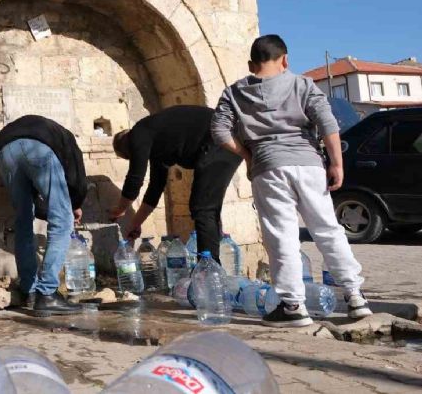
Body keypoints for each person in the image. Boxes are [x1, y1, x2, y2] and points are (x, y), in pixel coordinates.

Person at [211, 34, 372, 328]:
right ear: (285, 60)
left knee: (282, 236)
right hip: (309, 163)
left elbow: (220, 131)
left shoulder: (233, 93)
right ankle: (355, 297)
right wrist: (336, 163)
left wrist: (248, 154)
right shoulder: (302, 84)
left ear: (251, 64)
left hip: (268, 168)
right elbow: (327, 122)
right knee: (327, 229)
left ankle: (293, 307)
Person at [110, 106, 242, 261]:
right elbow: (155, 188)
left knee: (204, 208)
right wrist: (136, 223)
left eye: (130, 156)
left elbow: (135, 178)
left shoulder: (138, 133)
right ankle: (211, 268)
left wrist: (120, 209)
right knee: (207, 208)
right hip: (229, 141)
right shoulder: (159, 144)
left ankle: (208, 269)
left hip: (218, 139)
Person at [0, 115, 88, 316]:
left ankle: (30, 291)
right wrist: (76, 203)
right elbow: (77, 174)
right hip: (37, 149)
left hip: (3, 152)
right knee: (62, 221)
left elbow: (38, 203)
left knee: (24, 220)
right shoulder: (67, 139)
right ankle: (48, 294)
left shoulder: (42, 129)